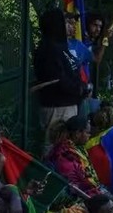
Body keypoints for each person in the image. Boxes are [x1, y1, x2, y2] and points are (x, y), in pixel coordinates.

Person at [34, 8, 85, 150]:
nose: (68, 25)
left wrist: (81, 87)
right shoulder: (48, 49)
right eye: (64, 21)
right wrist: (79, 88)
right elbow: (57, 79)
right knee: (54, 148)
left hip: (69, 104)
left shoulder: (61, 46)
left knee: (66, 148)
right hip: (57, 107)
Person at [46, 115, 109, 198]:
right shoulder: (65, 154)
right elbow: (77, 188)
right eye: (87, 132)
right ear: (77, 133)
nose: (89, 135)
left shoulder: (77, 149)